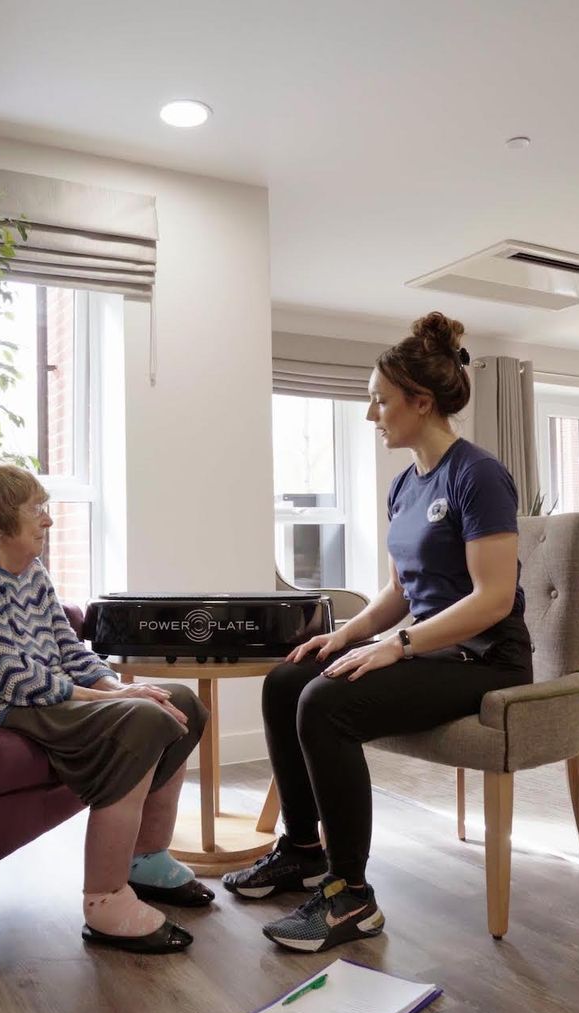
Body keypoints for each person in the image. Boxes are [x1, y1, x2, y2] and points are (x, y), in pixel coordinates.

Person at [223, 311, 534, 952]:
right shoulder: (404, 485)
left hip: (485, 658)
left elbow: (494, 598)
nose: (372, 414)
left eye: (380, 400)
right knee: (288, 681)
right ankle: (304, 851)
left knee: (326, 702)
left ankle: (350, 895)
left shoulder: (476, 474)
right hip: (432, 648)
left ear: (421, 403)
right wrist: (348, 633)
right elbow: (399, 591)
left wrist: (398, 646)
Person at [0, 465, 212, 955]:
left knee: (181, 702)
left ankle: (147, 860)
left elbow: (68, 648)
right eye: (36, 509)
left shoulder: (31, 574)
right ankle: (105, 901)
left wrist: (117, 685)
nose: (47, 521)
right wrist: (116, 699)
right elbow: (11, 676)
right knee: (140, 719)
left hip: (36, 693)